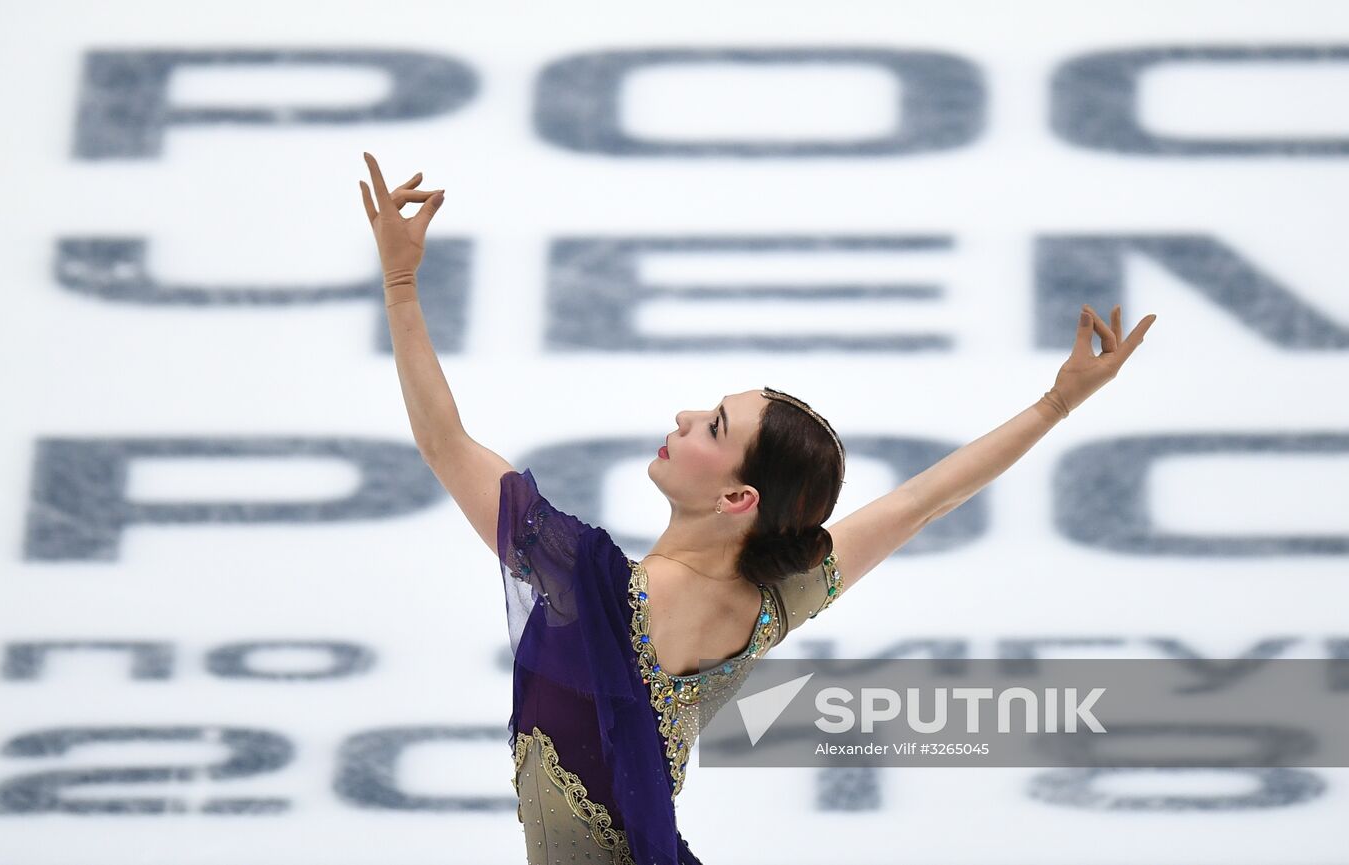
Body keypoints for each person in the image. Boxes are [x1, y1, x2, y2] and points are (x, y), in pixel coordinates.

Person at [358, 152, 1157, 864]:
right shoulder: (773, 600)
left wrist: (400, 286)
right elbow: (922, 501)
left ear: (739, 497)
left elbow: (444, 442)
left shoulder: (584, 583)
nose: (682, 417)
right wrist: (1055, 403)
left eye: (713, 426)